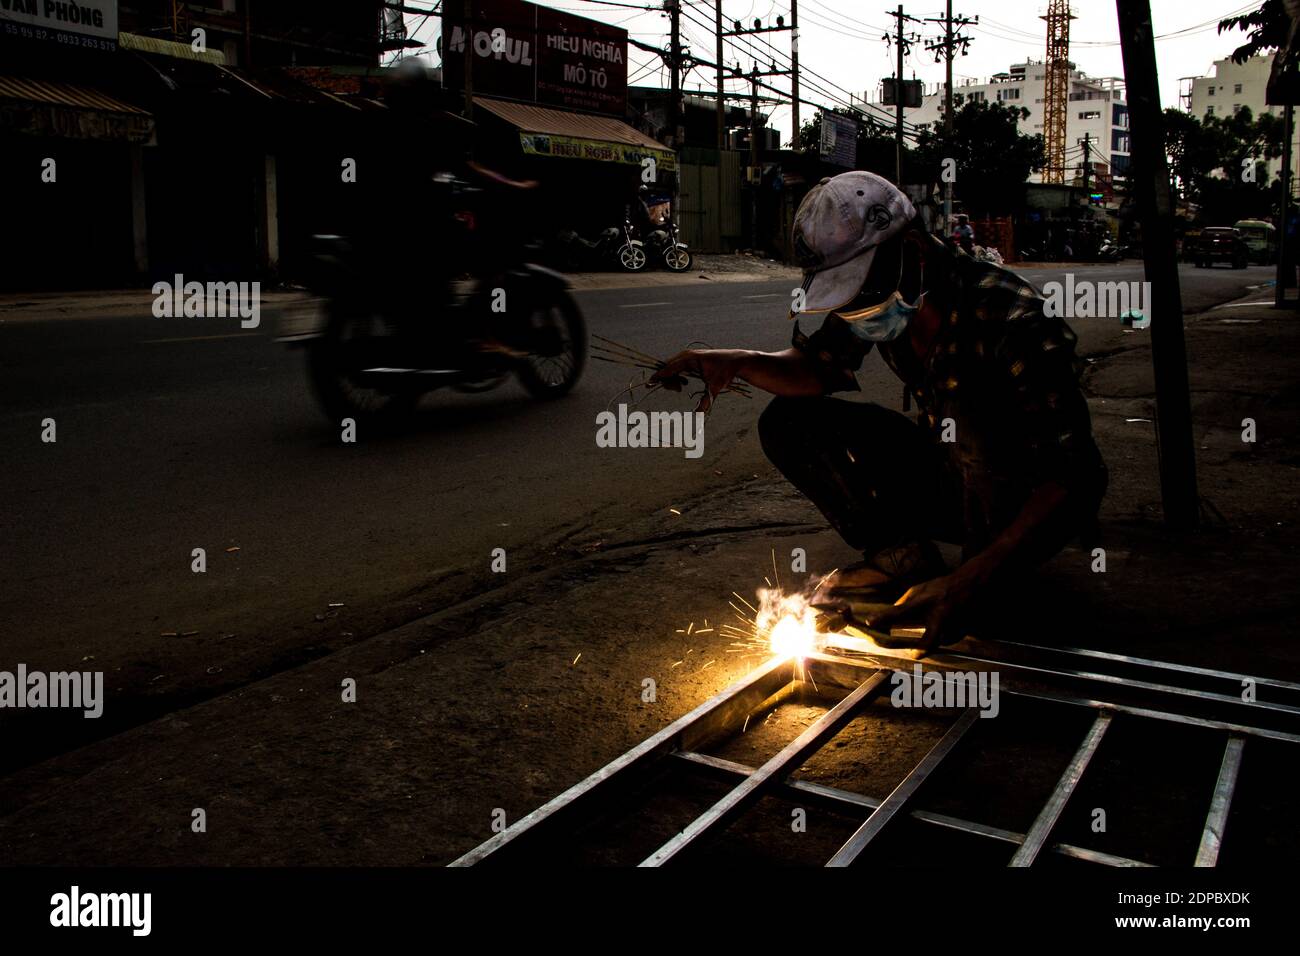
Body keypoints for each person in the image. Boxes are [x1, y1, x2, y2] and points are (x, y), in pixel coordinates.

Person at [651, 171, 1107, 650]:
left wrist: (973, 577)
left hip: (1029, 499)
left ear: (913, 250)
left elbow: (1072, 478)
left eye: (861, 293)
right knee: (789, 420)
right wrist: (738, 361)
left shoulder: (1012, 319)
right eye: (846, 298)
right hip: (954, 473)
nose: (856, 312)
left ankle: (986, 567)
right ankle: (903, 558)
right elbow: (814, 369)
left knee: (983, 612)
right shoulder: (878, 298)